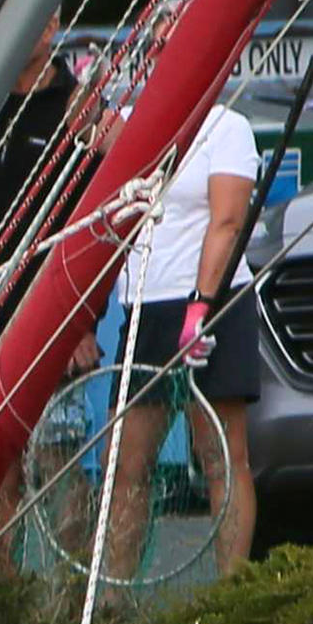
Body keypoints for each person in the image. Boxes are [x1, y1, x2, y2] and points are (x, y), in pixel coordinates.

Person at [99, 90, 267, 588]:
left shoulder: (227, 126)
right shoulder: (129, 122)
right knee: (125, 461)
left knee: (220, 455)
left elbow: (228, 221)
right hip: (147, 305)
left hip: (214, 301)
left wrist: (201, 305)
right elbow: (84, 143)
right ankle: (114, 594)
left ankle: (231, 591)